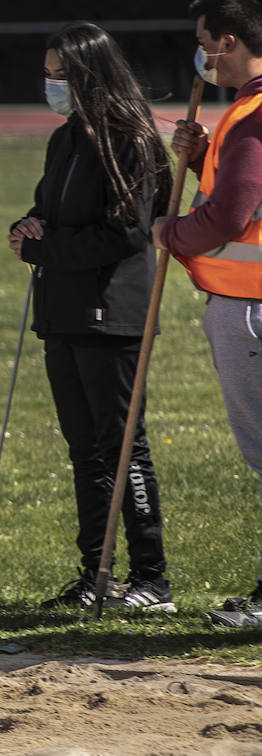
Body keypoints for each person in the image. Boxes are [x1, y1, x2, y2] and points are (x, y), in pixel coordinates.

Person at [8, 22, 175, 611]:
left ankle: (151, 579)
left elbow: (127, 233)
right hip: (64, 313)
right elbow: (50, 209)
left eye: (63, 76)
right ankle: (95, 576)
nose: (54, 86)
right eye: (49, 76)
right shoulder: (67, 138)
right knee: (85, 451)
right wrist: (27, 225)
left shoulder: (132, 137)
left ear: (90, 74)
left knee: (124, 446)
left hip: (114, 314)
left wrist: (43, 249)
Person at [153, 0, 262, 626]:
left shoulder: (251, 114)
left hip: (251, 310)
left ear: (226, 42)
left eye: (203, 43)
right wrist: (199, 161)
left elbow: (228, 218)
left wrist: (171, 232)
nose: (200, 56)